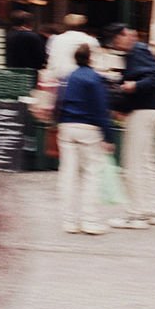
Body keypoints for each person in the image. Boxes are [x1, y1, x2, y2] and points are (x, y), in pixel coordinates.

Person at [104, 23, 155, 230]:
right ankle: (154, 210)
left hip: (141, 113)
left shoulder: (137, 50)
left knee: (133, 165)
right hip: (151, 110)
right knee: (148, 163)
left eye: (116, 40)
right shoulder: (139, 50)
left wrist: (133, 86)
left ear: (123, 35)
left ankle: (136, 214)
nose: (116, 45)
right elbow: (154, 75)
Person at [56, 44, 114, 235]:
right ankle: (90, 220)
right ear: (91, 58)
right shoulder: (94, 79)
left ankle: (69, 221)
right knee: (91, 175)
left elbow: (58, 103)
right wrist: (108, 136)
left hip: (66, 127)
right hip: (88, 128)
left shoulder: (67, 77)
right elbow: (101, 109)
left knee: (68, 175)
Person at [46, 14, 100, 80]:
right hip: (78, 79)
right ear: (83, 27)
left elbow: (50, 59)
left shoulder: (55, 39)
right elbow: (95, 63)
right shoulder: (90, 40)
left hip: (54, 77)